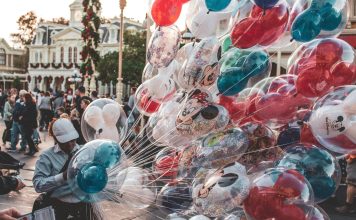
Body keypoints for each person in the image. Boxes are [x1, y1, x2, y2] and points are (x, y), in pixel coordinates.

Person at [33, 118, 101, 219]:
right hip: (58, 208)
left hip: (83, 207)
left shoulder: (86, 151)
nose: (69, 145)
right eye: (64, 142)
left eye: (72, 140)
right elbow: (38, 184)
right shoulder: (47, 157)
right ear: (56, 139)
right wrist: (63, 176)